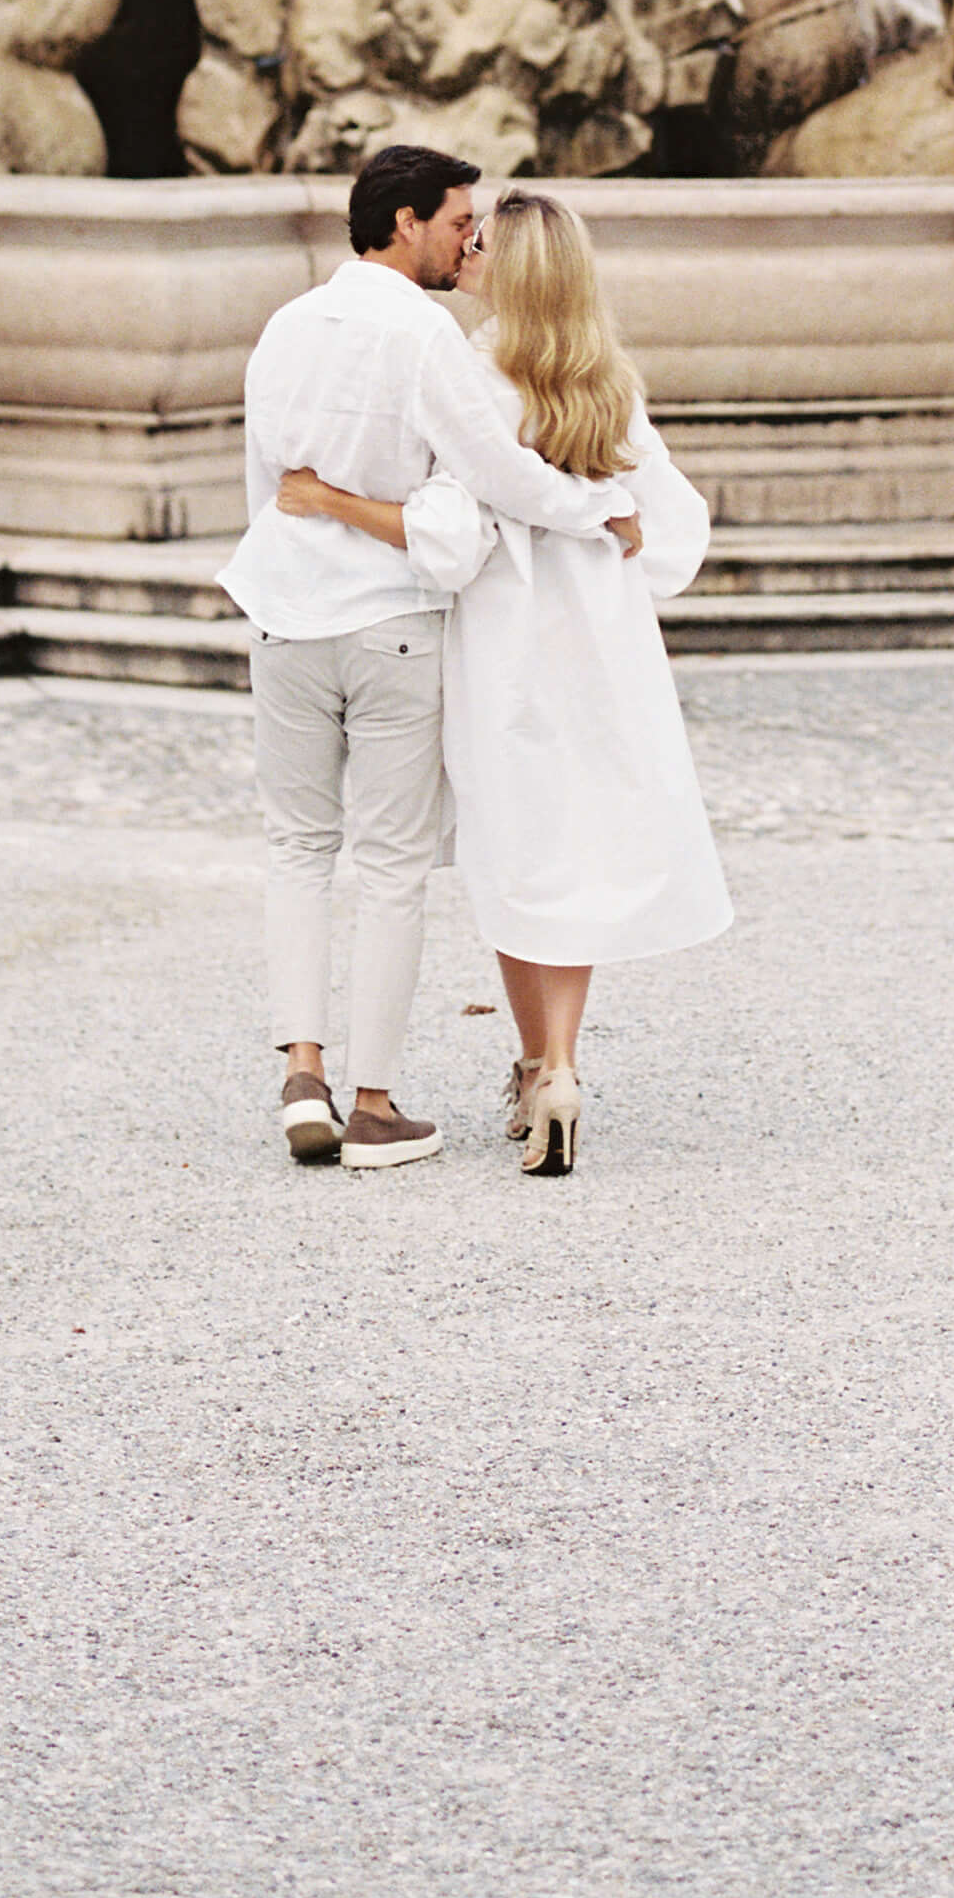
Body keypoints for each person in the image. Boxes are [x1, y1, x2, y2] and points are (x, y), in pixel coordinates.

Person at [277, 190, 730, 1181]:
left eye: (483, 241)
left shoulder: (470, 374)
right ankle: (557, 1065)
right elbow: (670, 525)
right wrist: (613, 532)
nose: (465, 248)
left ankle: (535, 1068)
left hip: (505, 642)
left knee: (517, 854)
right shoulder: (608, 384)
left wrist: (338, 500)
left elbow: (457, 530)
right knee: (575, 852)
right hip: (605, 646)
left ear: (517, 269)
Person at [221, 140, 640, 1174]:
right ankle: (371, 1104)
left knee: (295, 849)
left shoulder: (281, 328)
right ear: (402, 220)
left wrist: (303, 543)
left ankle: (300, 1075)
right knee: (394, 866)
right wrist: (605, 506)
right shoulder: (426, 338)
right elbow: (497, 481)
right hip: (393, 620)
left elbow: (263, 483)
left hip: (282, 615)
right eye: (458, 220)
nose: (469, 241)